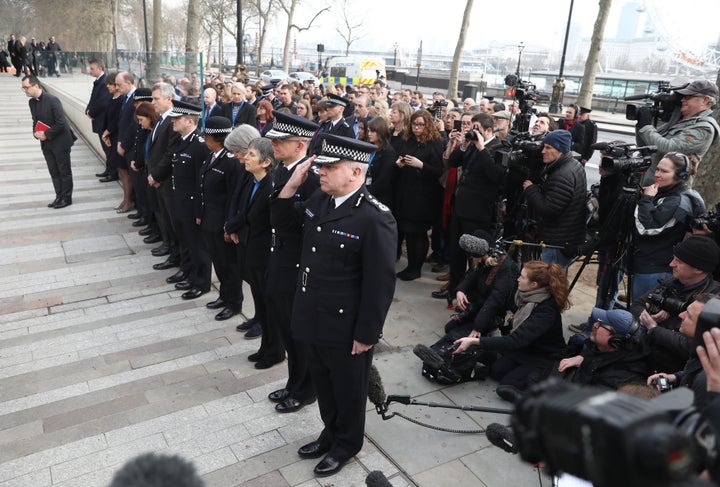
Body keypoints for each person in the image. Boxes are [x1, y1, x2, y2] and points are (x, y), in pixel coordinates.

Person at [273, 133, 397, 477]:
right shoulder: (321, 198)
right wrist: (292, 184)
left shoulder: (375, 218)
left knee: (348, 390)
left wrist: (367, 334)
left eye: (330, 167)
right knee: (324, 386)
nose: (321, 172)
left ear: (356, 173)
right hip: (312, 315)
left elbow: (380, 284)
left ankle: (346, 443)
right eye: (321, 166)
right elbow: (282, 225)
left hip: (346, 326)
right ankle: (330, 432)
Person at [264, 111, 320, 414]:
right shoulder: (285, 169)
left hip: (296, 263)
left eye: (280, 140)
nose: (274, 144)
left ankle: (305, 388)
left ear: (300, 145)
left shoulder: (309, 178)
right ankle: (294, 381)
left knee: (298, 331)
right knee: (285, 326)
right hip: (280, 256)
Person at [453, 260, 569, 401]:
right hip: (527, 349)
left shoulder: (546, 311)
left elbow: (515, 340)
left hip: (544, 356)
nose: (518, 279)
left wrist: (475, 341)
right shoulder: (525, 296)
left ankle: (531, 397)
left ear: (534, 285)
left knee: (510, 382)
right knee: (497, 371)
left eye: (522, 277)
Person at [435, 112, 505, 299]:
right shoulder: (472, 145)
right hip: (461, 208)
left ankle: (470, 294)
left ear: (488, 130)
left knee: (475, 256)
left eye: (477, 129)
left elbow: (494, 176)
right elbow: (453, 162)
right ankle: (453, 291)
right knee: (456, 253)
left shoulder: (499, 148)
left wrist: (481, 149)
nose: (473, 132)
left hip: (479, 213)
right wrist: (462, 145)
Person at [227, 138, 282, 366]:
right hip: (253, 251)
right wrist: (230, 225)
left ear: (266, 162)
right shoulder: (253, 181)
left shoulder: (270, 187)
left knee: (270, 307)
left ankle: (274, 352)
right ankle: (265, 347)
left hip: (266, 256)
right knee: (260, 302)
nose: (245, 158)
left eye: (251, 154)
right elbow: (245, 211)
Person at [632, 235, 720, 374]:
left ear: (698, 269)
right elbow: (637, 305)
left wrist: (654, 329)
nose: (671, 264)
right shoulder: (672, 283)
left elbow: (694, 345)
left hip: (676, 372)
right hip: (646, 357)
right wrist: (647, 316)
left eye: (678, 261)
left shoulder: (713, 302)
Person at [630, 152, 700, 301]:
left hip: (654, 268)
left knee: (641, 314)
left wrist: (646, 199)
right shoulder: (664, 191)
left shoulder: (676, 200)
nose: (657, 175)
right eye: (657, 169)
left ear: (680, 176)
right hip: (648, 263)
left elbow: (647, 228)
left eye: (664, 171)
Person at [198, 117, 245, 321]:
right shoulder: (212, 156)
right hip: (210, 219)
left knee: (229, 266)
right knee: (218, 262)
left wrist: (229, 225)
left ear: (215, 138)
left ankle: (234, 302)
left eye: (207, 137)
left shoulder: (231, 161)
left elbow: (234, 196)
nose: (205, 140)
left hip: (222, 223)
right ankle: (224, 296)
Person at [166, 100, 212, 301]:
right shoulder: (182, 140)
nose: (173, 121)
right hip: (180, 200)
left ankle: (201, 282)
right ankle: (187, 271)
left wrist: (198, 210)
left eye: (177, 118)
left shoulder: (199, 145)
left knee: (197, 246)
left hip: (192, 204)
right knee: (184, 240)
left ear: (189, 121)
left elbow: (200, 182)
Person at [522, 130, 587, 270]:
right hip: (566, 237)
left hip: (557, 241)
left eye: (548, 148)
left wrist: (530, 189)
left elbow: (549, 209)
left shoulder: (562, 175)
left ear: (561, 151)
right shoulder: (574, 165)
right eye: (543, 146)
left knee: (552, 282)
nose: (542, 151)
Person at [637, 80, 720, 187]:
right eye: (682, 97)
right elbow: (646, 146)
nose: (682, 100)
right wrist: (641, 124)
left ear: (705, 100)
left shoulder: (704, 128)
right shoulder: (677, 120)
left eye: (688, 97)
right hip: (650, 184)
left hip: (669, 190)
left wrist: (646, 127)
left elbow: (668, 148)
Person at [394, 109, 445, 281]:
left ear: (427, 125)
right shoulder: (407, 139)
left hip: (424, 196)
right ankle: (411, 266)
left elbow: (439, 170)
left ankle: (416, 268)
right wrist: (400, 163)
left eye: (421, 125)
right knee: (409, 232)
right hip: (406, 192)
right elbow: (401, 156)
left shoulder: (435, 142)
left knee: (418, 233)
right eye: (414, 124)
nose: (417, 128)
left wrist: (421, 165)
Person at [647, 294, 720, 409]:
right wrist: (675, 377)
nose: (681, 315)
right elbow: (695, 368)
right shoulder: (705, 351)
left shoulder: (706, 382)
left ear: (706, 329)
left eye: (689, 316)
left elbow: (695, 425)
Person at [557, 308, 650, 389]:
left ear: (615, 341)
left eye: (601, 324)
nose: (595, 325)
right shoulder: (605, 348)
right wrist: (583, 357)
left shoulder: (616, 380)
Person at [22, 74, 75, 208]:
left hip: (60, 141)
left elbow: (61, 122)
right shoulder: (32, 102)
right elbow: (35, 121)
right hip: (46, 143)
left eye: (26, 87)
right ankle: (59, 196)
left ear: (36, 85)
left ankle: (66, 198)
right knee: (53, 171)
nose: (25, 91)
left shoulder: (52, 100)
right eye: (23, 88)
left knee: (64, 171)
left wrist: (46, 134)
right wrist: (36, 133)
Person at [86, 59, 112, 178]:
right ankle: (109, 170)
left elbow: (103, 102)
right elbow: (93, 98)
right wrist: (88, 108)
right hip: (99, 120)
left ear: (100, 69)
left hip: (103, 121)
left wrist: (92, 112)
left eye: (92, 68)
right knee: (105, 148)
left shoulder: (104, 81)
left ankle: (112, 172)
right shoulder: (99, 81)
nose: (90, 71)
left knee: (108, 149)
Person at [365, 116, 397, 210]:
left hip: (380, 198)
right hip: (367, 192)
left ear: (380, 132)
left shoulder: (388, 153)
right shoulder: (370, 148)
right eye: (368, 131)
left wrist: (366, 192)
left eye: (372, 131)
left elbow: (383, 181)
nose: (369, 134)